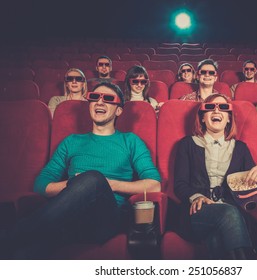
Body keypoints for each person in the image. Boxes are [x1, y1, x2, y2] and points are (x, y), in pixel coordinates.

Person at [0, 82, 161, 259]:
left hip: (106, 219)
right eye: (94, 97)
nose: (100, 102)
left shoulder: (130, 141)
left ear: (119, 110)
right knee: (22, 254)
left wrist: (107, 184)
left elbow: (154, 185)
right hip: (67, 218)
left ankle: (11, 235)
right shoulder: (71, 141)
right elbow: (41, 184)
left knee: (93, 178)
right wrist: (75, 184)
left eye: (108, 99)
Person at [174, 93, 257, 259]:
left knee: (217, 238)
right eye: (210, 107)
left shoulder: (240, 148)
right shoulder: (187, 144)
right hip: (198, 211)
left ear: (228, 119)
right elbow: (180, 184)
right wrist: (196, 197)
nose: (216, 111)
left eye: (223, 108)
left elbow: (254, 187)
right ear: (202, 118)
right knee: (229, 213)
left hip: (232, 212)